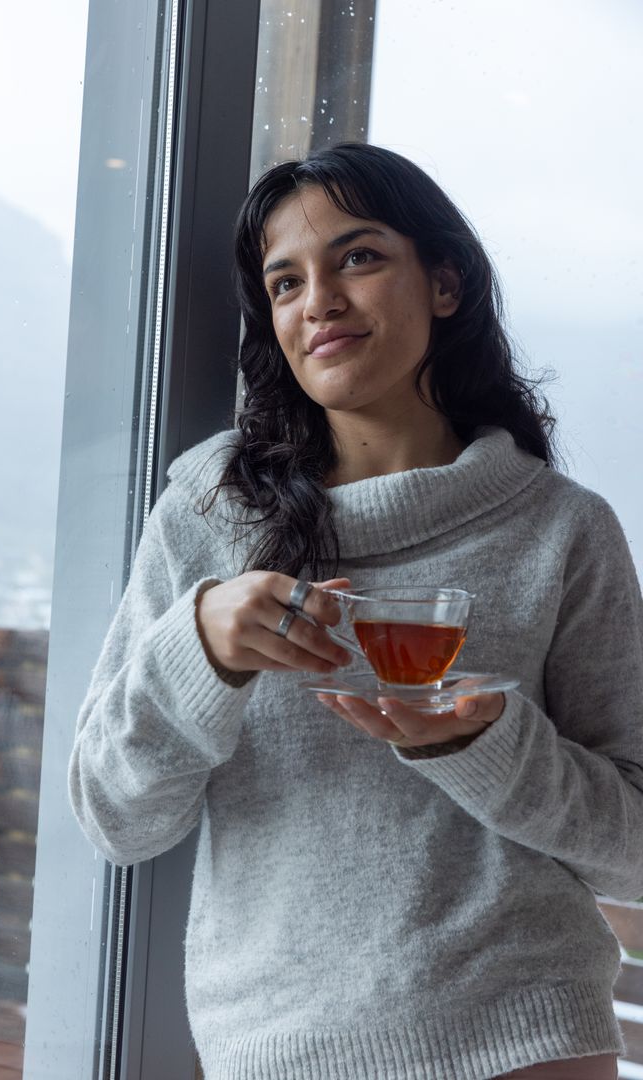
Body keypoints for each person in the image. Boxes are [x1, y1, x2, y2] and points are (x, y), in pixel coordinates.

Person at [68, 143, 643, 1080]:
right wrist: (201, 648)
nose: (319, 301)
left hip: (529, 1040)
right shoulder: (208, 513)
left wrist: (478, 746)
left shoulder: (561, 528)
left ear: (446, 282)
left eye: (359, 258)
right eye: (285, 282)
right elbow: (113, 818)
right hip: (280, 1047)